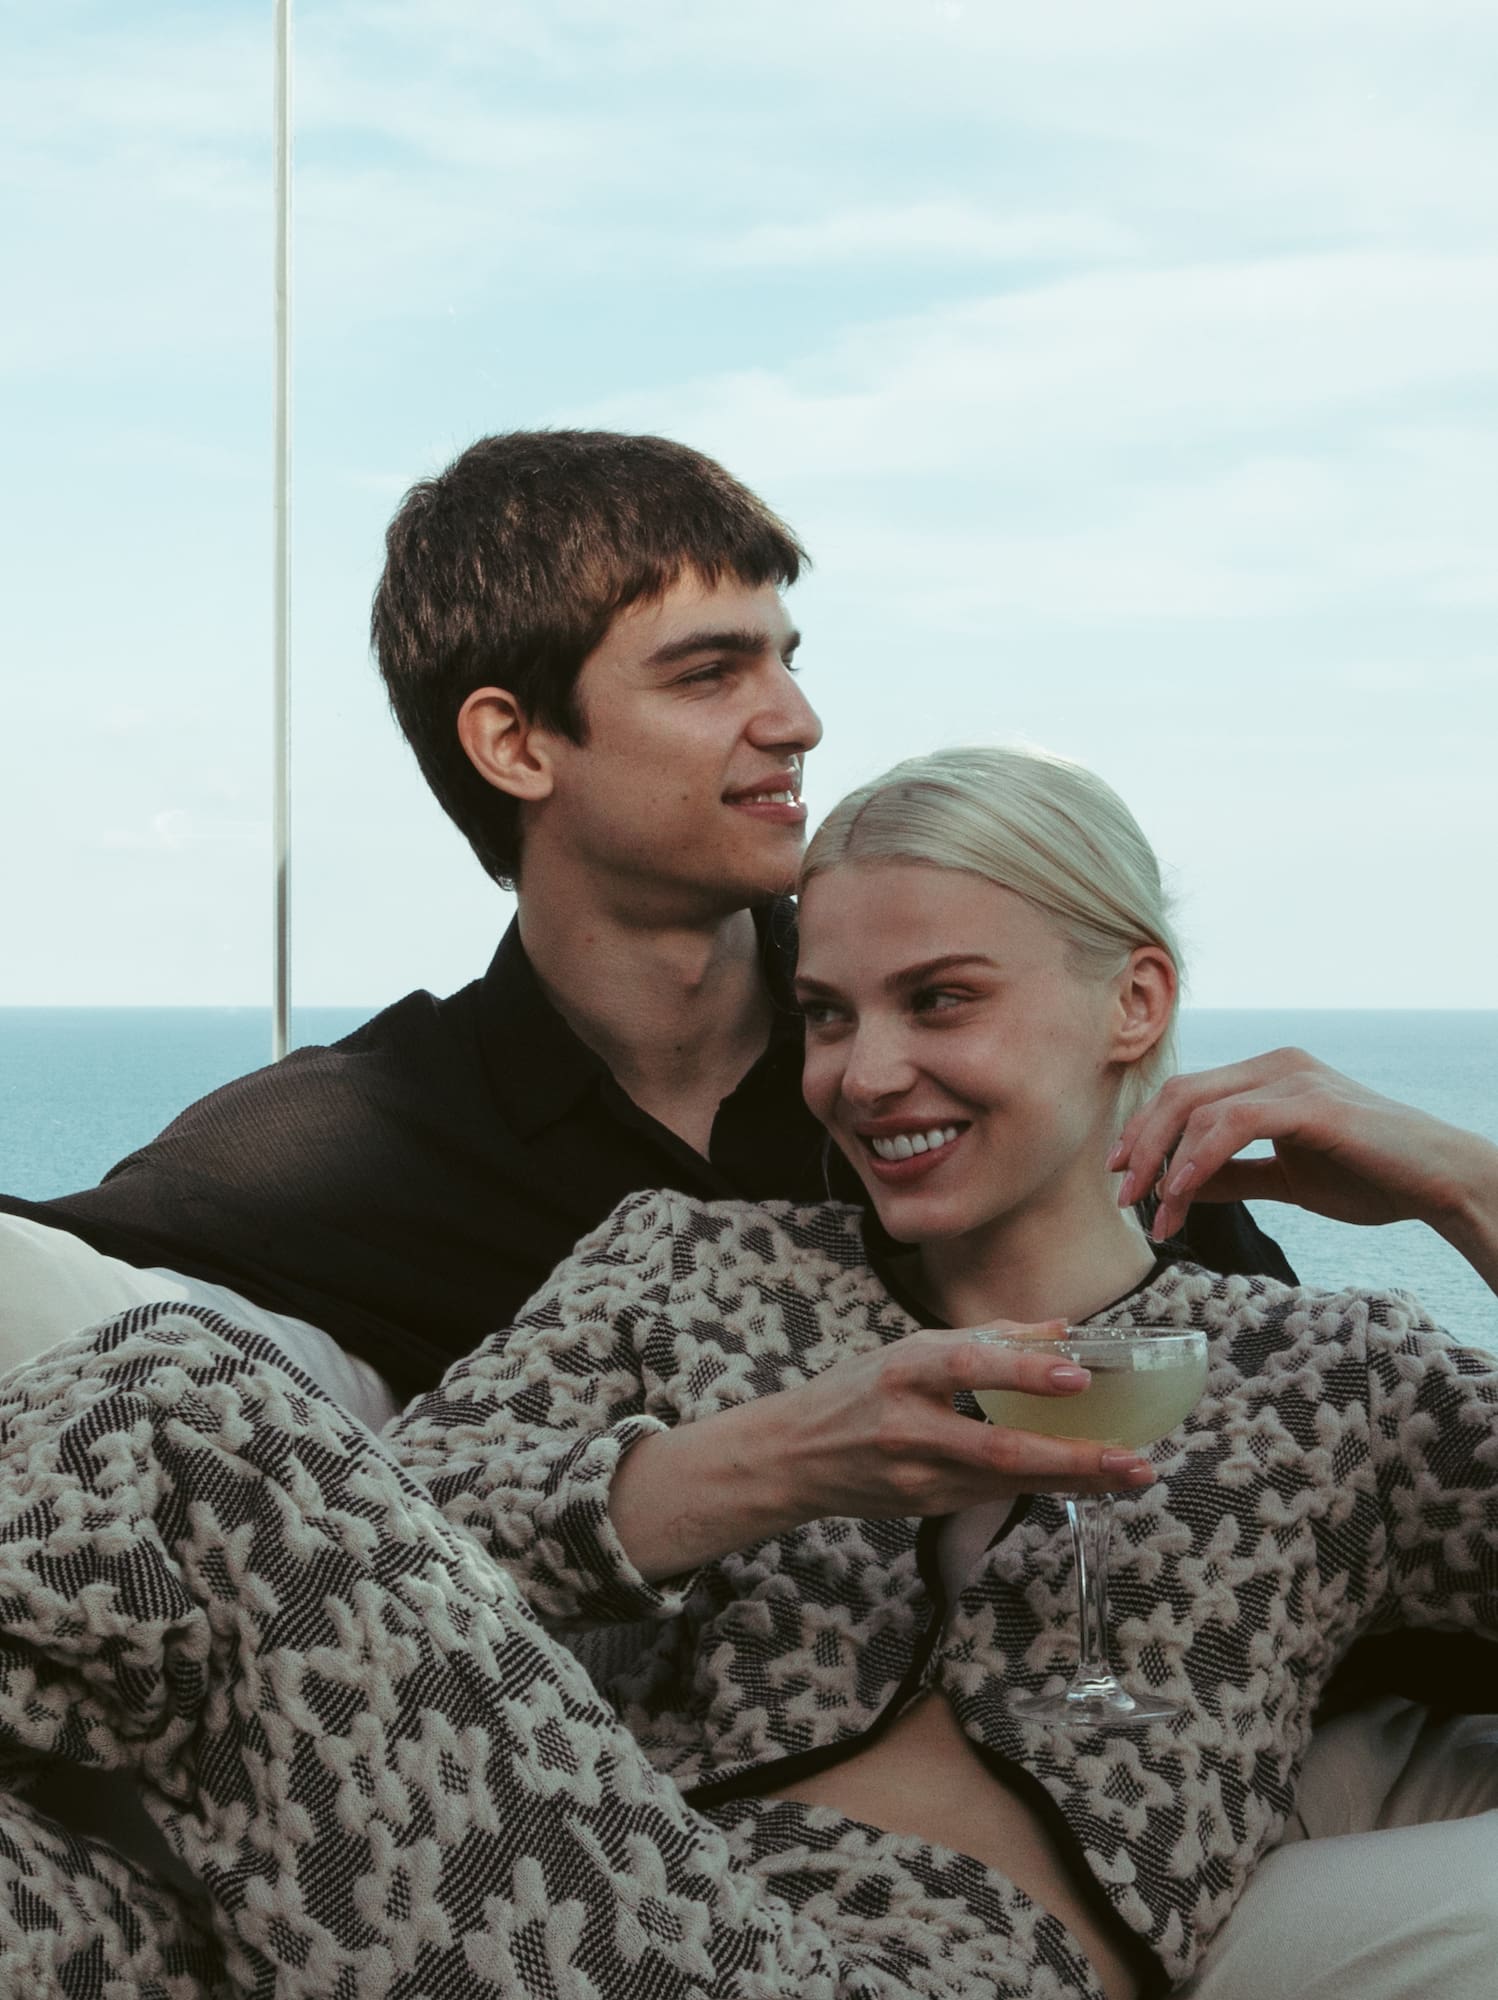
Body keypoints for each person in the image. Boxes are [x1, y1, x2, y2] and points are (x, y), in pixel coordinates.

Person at [383, 745, 1498, 2000]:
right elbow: (361, 1552)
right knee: (175, 1406)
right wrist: (773, 1463)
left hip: (903, 1971)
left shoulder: (1331, 1382)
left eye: (942, 998)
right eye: (828, 1013)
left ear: (1134, 1000)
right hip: (551, 1892)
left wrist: (1468, 1185)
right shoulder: (680, 1266)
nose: (861, 1076)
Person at [0, 431, 1290, 1404]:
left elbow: (1280, 1410)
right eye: (711, 671)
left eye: (789, 657)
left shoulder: (994, 1078)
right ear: (513, 743)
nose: (794, 719)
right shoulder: (333, 1151)